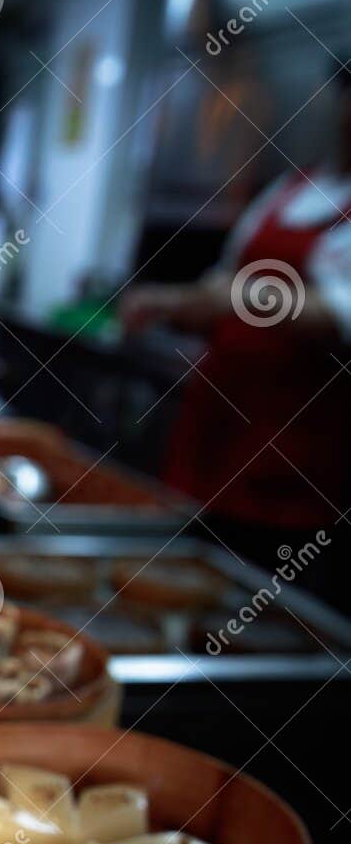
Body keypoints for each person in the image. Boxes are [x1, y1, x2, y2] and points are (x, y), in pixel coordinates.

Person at [122, 64, 351, 572]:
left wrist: (243, 296)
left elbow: (335, 316)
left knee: (260, 590)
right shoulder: (290, 189)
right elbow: (223, 279)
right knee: (182, 572)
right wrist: (172, 300)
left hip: (293, 449)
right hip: (214, 429)